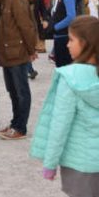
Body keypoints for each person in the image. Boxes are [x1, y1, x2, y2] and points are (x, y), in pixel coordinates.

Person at [30, 16, 99, 197]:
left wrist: (50, 163)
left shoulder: (70, 78)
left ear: (85, 43)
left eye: (71, 39)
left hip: (80, 163)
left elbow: (60, 124)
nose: (67, 45)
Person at [0, 0, 38, 140]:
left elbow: (26, 26)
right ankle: (15, 122)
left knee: (21, 91)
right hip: (7, 52)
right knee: (13, 91)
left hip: (17, 51)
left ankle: (20, 128)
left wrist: (31, 50)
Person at [20, 0, 50, 78]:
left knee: (28, 46)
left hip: (32, 24)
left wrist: (45, 19)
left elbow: (43, 9)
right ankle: (30, 70)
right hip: (19, 24)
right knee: (23, 46)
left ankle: (28, 69)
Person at [50, 0, 82, 68]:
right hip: (62, 35)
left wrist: (56, 27)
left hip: (64, 36)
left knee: (63, 65)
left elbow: (71, 16)